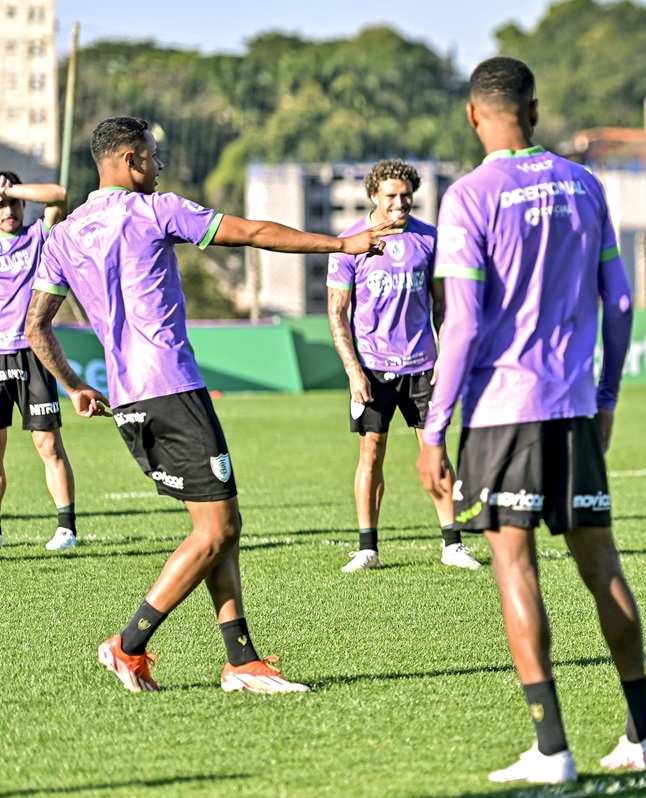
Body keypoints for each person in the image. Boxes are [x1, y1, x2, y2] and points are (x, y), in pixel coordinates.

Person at [26, 116, 398, 694]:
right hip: (171, 387)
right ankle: (127, 645)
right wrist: (340, 243)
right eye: (152, 156)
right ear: (129, 160)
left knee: (222, 525)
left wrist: (74, 385)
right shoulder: (155, 210)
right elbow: (251, 232)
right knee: (217, 528)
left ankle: (241, 661)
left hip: (130, 399)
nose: (159, 166)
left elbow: (35, 327)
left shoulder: (64, 235)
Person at [415, 57, 646, 784]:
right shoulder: (585, 185)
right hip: (575, 406)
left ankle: (551, 746)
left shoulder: (469, 195)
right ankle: (643, 734)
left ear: (473, 115)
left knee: (514, 567)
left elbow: (462, 324)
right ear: (534, 109)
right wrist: (607, 398)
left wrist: (433, 430)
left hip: (502, 413)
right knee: (602, 567)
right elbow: (621, 303)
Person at [328, 158, 480, 574]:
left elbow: (443, 307)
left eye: (406, 195)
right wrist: (353, 371)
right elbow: (337, 312)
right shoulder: (349, 243)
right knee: (371, 453)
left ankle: (453, 544)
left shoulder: (430, 239)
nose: (400, 202)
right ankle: (367, 549)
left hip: (422, 366)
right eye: (391, 195)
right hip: (372, 368)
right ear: (373, 196)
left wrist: (445, 357)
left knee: (435, 449)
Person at [0, 172, 78, 550]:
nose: (8, 210)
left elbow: (59, 195)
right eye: (1, 205)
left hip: (32, 355)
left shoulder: (37, 236)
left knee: (48, 445)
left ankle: (67, 529)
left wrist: (9, 187)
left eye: (13, 203)